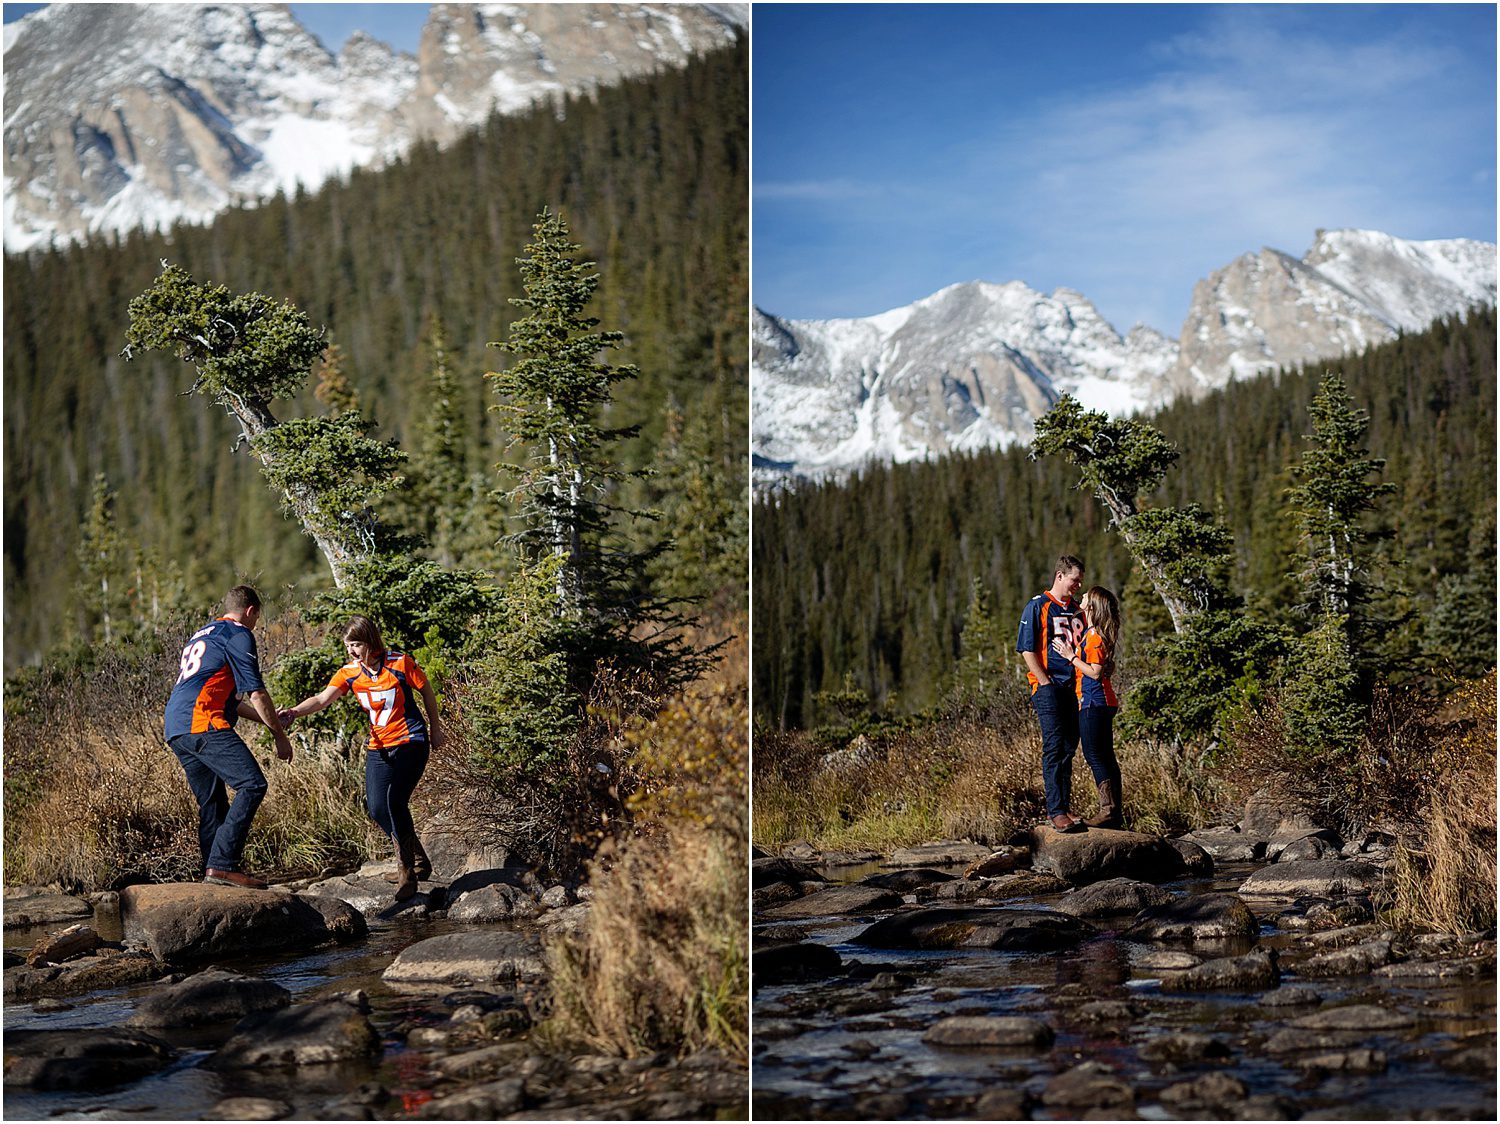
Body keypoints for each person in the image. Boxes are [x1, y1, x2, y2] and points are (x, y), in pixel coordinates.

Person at [280, 616, 445, 901]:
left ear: (370, 642)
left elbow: (426, 690)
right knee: (377, 808)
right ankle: (418, 860)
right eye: (348, 645)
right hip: (378, 746)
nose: (351, 651)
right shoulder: (350, 673)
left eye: (356, 644)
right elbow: (321, 699)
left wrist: (436, 728)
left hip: (411, 741)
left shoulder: (399, 663)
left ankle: (407, 873)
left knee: (395, 801)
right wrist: (293, 712)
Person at [164, 584, 294, 889]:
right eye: (257, 619)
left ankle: (213, 872)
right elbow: (256, 692)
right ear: (250, 612)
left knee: (213, 803)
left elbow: (230, 701)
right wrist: (279, 735)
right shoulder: (238, 633)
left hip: (176, 727)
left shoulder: (202, 634)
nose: (255, 625)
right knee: (252, 784)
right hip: (202, 722)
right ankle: (221, 867)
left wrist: (271, 721)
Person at [1016, 554, 1088, 833]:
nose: (1078, 586)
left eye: (1081, 582)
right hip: (1048, 688)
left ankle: (1065, 807)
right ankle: (1056, 811)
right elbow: (1026, 649)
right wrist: (1044, 683)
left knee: (1069, 746)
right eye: (1074, 580)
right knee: (1054, 746)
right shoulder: (1038, 607)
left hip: (1075, 688)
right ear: (1060, 576)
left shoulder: (1076, 611)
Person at [1053, 585, 1123, 829]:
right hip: (1101, 701)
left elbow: (1093, 673)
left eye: (1085, 598)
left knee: (1095, 755)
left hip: (1094, 701)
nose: (1081, 599)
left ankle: (1109, 810)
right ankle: (1114, 810)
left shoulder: (1093, 636)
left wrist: (1070, 656)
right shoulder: (1095, 633)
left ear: (1092, 606)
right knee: (1105, 756)